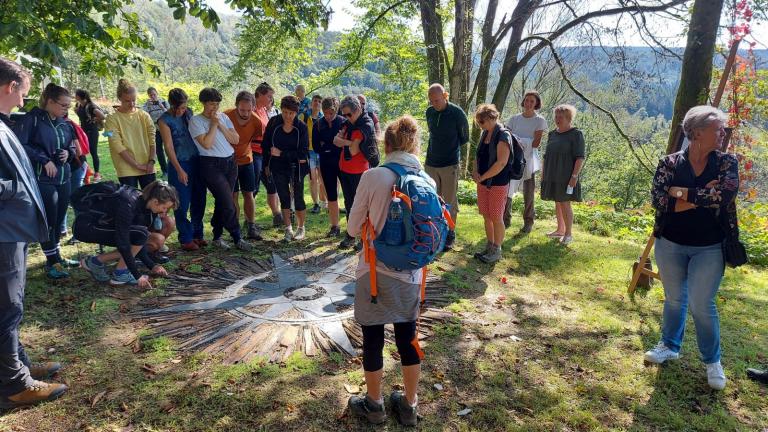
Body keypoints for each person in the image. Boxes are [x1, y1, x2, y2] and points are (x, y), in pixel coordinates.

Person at [644, 106, 738, 391]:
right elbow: (659, 200)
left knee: (701, 304)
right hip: (670, 242)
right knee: (674, 298)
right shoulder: (670, 163)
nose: (723, 133)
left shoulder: (726, 163)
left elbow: (725, 194)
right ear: (697, 132)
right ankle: (670, 345)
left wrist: (682, 193)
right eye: (717, 128)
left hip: (709, 247)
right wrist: (702, 196)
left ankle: (713, 361)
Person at [346, 116, 427, 427]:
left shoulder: (373, 176)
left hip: (375, 274)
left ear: (386, 145)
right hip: (412, 275)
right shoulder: (426, 179)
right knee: (409, 339)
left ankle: (375, 404)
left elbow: (353, 228)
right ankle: (409, 405)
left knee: (373, 338)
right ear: (414, 145)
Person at [0, 57, 68, 409]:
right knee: (7, 306)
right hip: (4, 232)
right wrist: (16, 189)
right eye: (22, 94)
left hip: (13, 229)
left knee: (10, 305)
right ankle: (14, 383)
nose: (23, 101)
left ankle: (17, 364)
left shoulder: (4, 122)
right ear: (10, 87)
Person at [13, 83, 78, 279]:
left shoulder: (64, 122)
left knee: (59, 219)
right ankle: (52, 262)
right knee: (48, 219)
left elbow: (72, 146)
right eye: (63, 105)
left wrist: (69, 152)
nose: (66, 110)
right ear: (50, 102)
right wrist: (44, 159)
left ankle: (56, 257)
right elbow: (21, 145)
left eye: (68, 106)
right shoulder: (32, 119)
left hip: (63, 176)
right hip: (43, 178)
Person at [77, 180, 176, 287]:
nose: (165, 212)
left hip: (101, 226)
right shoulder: (128, 204)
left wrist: (152, 266)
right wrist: (137, 275)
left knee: (141, 235)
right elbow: (123, 243)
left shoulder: (144, 206)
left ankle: (95, 262)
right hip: (86, 227)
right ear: (156, 201)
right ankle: (120, 274)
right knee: (141, 234)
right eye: (164, 207)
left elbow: (138, 244)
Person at [188, 87, 252, 251]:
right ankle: (237, 236)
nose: (214, 108)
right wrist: (213, 125)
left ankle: (217, 235)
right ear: (203, 103)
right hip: (210, 164)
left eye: (217, 104)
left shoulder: (223, 117)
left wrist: (221, 124)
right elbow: (207, 144)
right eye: (211, 104)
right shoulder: (196, 121)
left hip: (230, 162)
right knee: (228, 202)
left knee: (223, 200)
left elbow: (235, 139)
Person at [158, 88, 207, 251]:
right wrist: (179, 169)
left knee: (199, 199)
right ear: (170, 105)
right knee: (181, 202)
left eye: (183, 107)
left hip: (196, 160)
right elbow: (169, 147)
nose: (180, 111)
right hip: (179, 164)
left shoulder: (189, 113)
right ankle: (185, 238)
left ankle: (197, 234)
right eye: (177, 108)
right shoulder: (164, 121)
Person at [424, 83, 469, 249]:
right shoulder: (429, 112)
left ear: (445, 96)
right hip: (431, 163)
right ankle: (434, 231)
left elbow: (464, 138)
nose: (434, 104)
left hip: (449, 163)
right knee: (432, 200)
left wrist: (456, 158)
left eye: (437, 100)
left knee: (449, 201)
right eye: (432, 101)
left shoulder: (457, 113)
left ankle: (450, 232)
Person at [262, 96, 310, 242]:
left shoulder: (301, 127)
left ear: (296, 112)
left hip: (298, 167)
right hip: (277, 166)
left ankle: (301, 228)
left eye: (291, 113)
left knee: (298, 196)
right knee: (283, 196)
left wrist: (282, 153)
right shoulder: (273, 123)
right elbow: (266, 146)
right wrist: (266, 164)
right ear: (281, 110)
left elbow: (302, 153)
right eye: (284, 112)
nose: (287, 116)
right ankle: (288, 228)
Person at [471, 104, 512, 264]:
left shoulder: (503, 135)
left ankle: (497, 249)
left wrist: (484, 177)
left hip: (498, 183)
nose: (480, 124)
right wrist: (475, 172)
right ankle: (489, 246)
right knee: (486, 215)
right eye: (478, 121)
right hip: (482, 182)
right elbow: (477, 155)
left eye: (482, 121)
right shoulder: (484, 134)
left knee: (496, 216)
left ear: (492, 118)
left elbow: (501, 163)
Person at [539, 104, 585, 246]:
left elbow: (580, 157)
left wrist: (574, 177)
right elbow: (547, 155)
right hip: (552, 173)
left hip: (566, 175)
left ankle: (568, 234)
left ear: (569, 118)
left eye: (561, 117)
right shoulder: (552, 134)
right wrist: (543, 173)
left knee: (565, 203)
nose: (557, 119)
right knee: (557, 202)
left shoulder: (576, 134)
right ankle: (560, 229)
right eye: (556, 116)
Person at [503, 90, 547, 233]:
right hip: (512, 159)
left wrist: (520, 141)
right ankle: (505, 219)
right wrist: (516, 142)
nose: (528, 103)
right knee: (508, 189)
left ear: (536, 104)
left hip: (528, 160)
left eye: (532, 101)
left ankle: (528, 221)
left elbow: (536, 143)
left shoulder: (539, 120)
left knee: (528, 193)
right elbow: (506, 138)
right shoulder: (514, 119)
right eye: (527, 100)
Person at [335, 96, 375, 249]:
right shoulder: (348, 123)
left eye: (348, 114)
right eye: (343, 114)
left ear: (358, 110)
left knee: (362, 206)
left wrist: (343, 142)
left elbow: (353, 150)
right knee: (349, 203)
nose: (346, 118)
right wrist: (347, 142)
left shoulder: (364, 124)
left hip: (360, 172)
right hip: (345, 169)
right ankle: (351, 235)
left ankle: (363, 238)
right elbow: (334, 140)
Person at [105, 79, 157, 189]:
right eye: (127, 101)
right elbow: (116, 145)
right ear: (119, 99)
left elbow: (152, 139)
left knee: (151, 201)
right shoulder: (111, 119)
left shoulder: (144, 115)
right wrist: (137, 165)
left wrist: (151, 161)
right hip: (126, 169)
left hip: (148, 165)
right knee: (129, 203)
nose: (132, 104)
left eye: (134, 100)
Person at [225, 91, 261, 240]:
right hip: (229, 161)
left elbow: (255, 138)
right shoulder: (226, 116)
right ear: (236, 106)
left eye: (248, 110)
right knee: (233, 194)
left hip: (247, 160)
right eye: (242, 110)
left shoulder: (257, 121)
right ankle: (235, 227)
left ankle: (251, 226)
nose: (245, 113)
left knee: (249, 193)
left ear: (253, 107)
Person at [314, 97, 345, 237]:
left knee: (349, 196)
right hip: (326, 164)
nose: (328, 116)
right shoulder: (318, 124)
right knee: (331, 196)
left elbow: (344, 143)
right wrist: (334, 144)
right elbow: (316, 146)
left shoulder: (343, 122)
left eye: (331, 113)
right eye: (325, 113)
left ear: (336, 110)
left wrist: (327, 144)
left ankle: (353, 228)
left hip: (343, 163)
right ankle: (335, 226)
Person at [252, 82, 282, 227]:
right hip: (254, 154)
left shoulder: (264, 110)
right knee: (253, 187)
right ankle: (249, 220)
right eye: (269, 96)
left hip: (266, 154)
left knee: (272, 184)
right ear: (260, 95)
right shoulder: (250, 110)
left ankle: (277, 215)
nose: (271, 99)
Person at [300, 94, 326, 214]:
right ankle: (316, 204)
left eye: (319, 101)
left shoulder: (324, 117)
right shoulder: (304, 116)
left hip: (320, 152)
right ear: (311, 103)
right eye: (315, 101)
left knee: (323, 178)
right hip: (309, 151)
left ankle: (324, 202)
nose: (317, 103)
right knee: (313, 179)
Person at [74, 89, 105, 181]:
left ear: (79, 96)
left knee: (93, 152)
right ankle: (87, 171)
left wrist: (93, 120)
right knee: (82, 152)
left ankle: (97, 174)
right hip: (83, 133)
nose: (75, 96)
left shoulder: (90, 106)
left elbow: (102, 116)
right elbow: (79, 113)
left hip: (92, 132)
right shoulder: (79, 105)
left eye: (76, 95)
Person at [142, 87, 170, 177]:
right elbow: (143, 116)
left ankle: (172, 167)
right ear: (148, 96)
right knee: (159, 150)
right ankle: (165, 170)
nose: (153, 96)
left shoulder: (164, 102)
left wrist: (162, 107)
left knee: (169, 148)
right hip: (155, 130)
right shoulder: (147, 105)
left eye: (154, 94)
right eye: (151, 95)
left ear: (157, 93)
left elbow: (170, 114)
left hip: (166, 129)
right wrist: (148, 106)